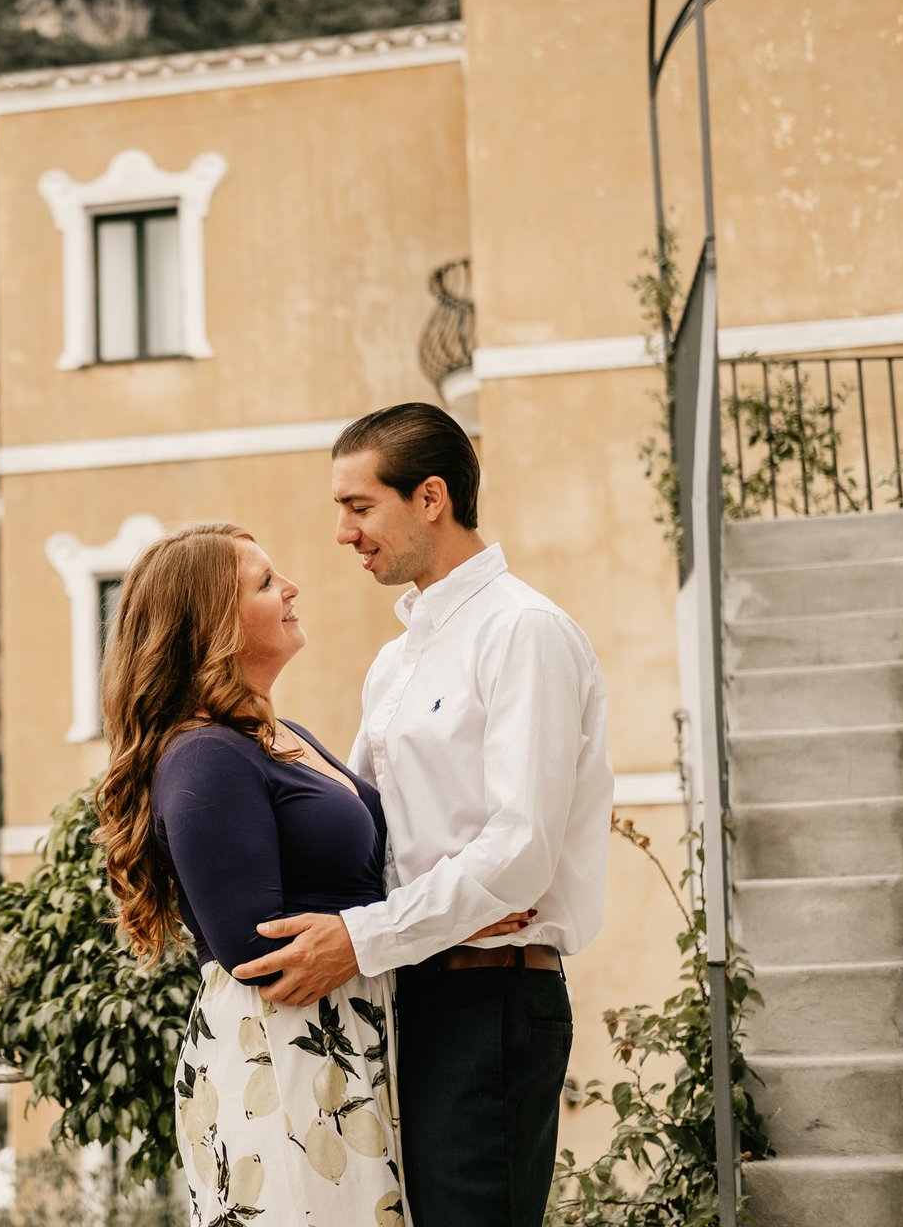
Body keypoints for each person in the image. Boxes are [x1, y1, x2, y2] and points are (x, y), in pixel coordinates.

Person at [230, 404, 613, 1227]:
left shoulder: (526, 633)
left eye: (359, 506)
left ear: (430, 497)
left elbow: (518, 853)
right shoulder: (394, 663)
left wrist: (365, 936)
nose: (340, 532)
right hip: (399, 1001)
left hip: (490, 1005)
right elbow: (369, 830)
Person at [95, 520, 528, 1226]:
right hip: (287, 1052)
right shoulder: (205, 757)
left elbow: (374, 876)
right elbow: (259, 949)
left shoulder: (282, 735)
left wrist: (455, 904)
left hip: (350, 1030)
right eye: (265, 582)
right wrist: (440, 920)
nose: (292, 586)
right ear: (214, 625)